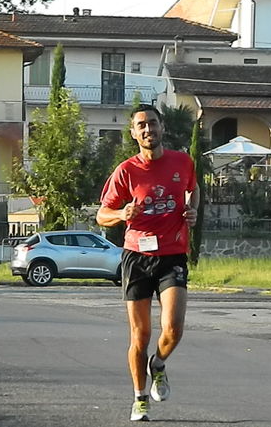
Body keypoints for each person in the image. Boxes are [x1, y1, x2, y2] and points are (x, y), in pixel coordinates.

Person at [96, 104, 199, 421]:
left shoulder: (182, 162)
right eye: (141, 125)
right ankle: (140, 397)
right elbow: (102, 214)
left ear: (161, 127)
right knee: (139, 337)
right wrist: (121, 214)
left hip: (172, 255)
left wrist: (191, 211)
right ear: (133, 132)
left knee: (173, 328)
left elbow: (193, 190)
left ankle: (159, 363)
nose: (147, 129)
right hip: (137, 257)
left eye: (152, 123)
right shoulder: (126, 171)